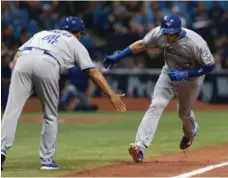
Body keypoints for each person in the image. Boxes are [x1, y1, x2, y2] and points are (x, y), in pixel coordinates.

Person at [1, 16, 126, 171]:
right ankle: (47, 161)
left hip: (23, 61)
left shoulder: (42, 33)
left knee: (11, 110)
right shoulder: (74, 41)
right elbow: (92, 71)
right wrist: (110, 94)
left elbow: (16, 57)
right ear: (79, 33)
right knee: (50, 115)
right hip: (47, 62)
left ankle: (1, 148)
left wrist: (19, 79)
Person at [103, 13, 215, 163]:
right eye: (166, 33)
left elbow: (209, 66)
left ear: (178, 30)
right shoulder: (158, 33)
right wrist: (117, 57)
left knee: (183, 114)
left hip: (191, 78)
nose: (168, 37)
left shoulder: (195, 42)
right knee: (156, 104)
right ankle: (140, 147)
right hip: (168, 72)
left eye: (172, 33)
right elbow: (141, 45)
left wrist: (185, 74)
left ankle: (191, 133)